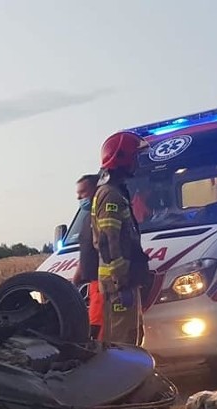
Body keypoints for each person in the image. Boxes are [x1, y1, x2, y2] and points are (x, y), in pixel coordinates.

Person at [90, 131, 152, 347]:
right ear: (122, 157)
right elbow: (108, 240)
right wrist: (120, 276)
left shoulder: (117, 192)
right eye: (135, 156)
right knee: (120, 342)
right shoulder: (111, 195)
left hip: (125, 280)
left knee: (133, 337)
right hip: (119, 284)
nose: (137, 162)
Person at [71, 174, 103, 339]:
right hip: (92, 285)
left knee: (97, 330)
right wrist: (74, 281)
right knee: (94, 327)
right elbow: (86, 252)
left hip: (103, 283)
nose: (79, 197)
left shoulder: (102, 215)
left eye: (82, 192)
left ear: (96, 189)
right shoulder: (86, 219)